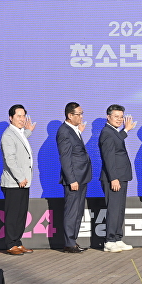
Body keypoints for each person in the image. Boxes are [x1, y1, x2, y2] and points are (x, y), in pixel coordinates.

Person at [99, 104, 136, 253]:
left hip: (121, 176)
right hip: (113, 178)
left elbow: (117, 141)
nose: (119, 119)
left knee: (120, 209)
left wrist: (126, 130)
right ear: (108, 117)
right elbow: (108, 158)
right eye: (116, 117)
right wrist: (113, 178)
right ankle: (109, 241)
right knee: (113, 209)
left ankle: (117, 238)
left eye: (121, 117)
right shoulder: (107, 132)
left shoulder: (113, 132)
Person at [0, 104, 36, 256]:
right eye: (18, 116)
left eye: (23, 116)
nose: (22, 119)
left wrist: (28, 131)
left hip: (23, 182)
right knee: (13, 214)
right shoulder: (8, 135)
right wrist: (21, 177)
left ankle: (17, 242)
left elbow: (21, 139)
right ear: (11, 118)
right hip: (14, 182)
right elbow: (10, 159)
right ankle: (10, 244)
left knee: (21, 214)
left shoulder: (19, 133)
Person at [57, 102, 92, 253]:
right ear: (70, 116)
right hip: (74, 179)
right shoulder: (64, 131)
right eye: (79, 114)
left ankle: (73, 241)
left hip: (82, 177)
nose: (81, 116)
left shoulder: (73, 129)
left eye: (82, 113)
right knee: (72, 211)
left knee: (78, 211)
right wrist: (71, 180)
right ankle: (69, 243)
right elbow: (65, 159)